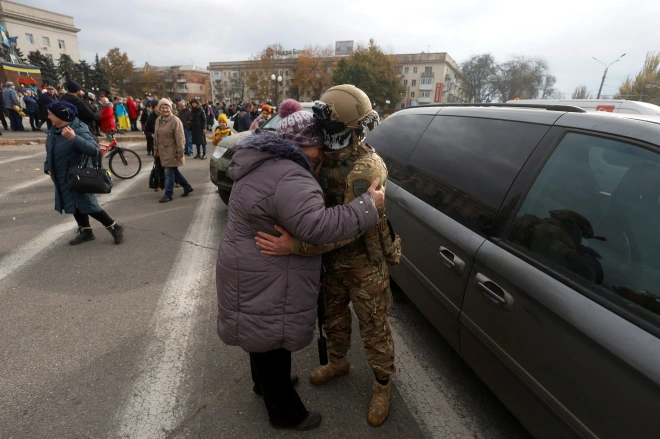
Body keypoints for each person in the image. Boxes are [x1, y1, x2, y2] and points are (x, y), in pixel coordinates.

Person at [215, 102, 384, 431]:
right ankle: (287, 414)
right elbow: (317, 227)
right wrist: (367, 206)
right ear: (300, 144)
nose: (321, 151)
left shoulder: (264, 162)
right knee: (271, 339)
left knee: (261, 336)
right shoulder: (291, 177)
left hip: (247, 265)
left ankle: (262, 384)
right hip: (265, 272)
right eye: (316, 143)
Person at [254, 87, 397, 427]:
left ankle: (382, 384)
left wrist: (296, 247)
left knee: (374, 324)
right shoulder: (320, 159)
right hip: (329, 261)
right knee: (332, 316)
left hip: (362, 262)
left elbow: (350, 229)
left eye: (324, 126)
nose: (318, 134)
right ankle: (338, 361)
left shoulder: (365, 168)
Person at [43, 101, 124, 245]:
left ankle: (114, 227)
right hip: (62, 176)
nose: (48, 117)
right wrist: (47, 166)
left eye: (50, 114)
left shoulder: (78, 129)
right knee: (72, 204)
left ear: (61, 115)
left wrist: (73, 138)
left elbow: (94, 150)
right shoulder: (53, 131)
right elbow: (50, 152)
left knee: (88, 204)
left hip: (78, 175)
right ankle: (86, 231)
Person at [153, 99, 193, 203]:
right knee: (173, 171)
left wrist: (180, 152)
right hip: (162, 151)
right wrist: (155, 149)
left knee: (169, 173)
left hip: (173, 151)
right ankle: (187, 186)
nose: (165, 109)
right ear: (159, 109)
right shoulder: (158, 120)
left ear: (170, 108)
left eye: (167, 107)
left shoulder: (175, 120)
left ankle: (168, 194)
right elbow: (156, 136)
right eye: (162, 108)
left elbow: (180, 138)